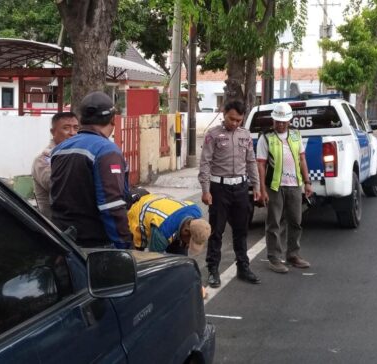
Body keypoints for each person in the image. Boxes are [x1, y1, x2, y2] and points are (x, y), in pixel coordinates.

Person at [50, 91, 133, 249]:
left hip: (64, 241)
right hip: (95, 246)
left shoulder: (59, 149)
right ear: (112, 120)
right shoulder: (107, 151)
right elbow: (112, 206)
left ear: (81, 119)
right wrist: (126, 247)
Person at [199, 100, 261, 287]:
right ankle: (213, 271)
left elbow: (251, 161)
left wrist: (256, 186)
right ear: (223, 113)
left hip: (241, 189)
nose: (234, 123)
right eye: (231, 119)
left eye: (239, 120)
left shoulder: (245, 135)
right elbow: (205, 163)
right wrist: (205, 190)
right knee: (216, 232)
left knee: (241, 230)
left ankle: (243, 267)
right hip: (220, 189)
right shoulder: (213, 135)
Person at [256, 103, 313, 274]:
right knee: (274, 223)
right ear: (273, 120)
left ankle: (293, 255)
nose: (280, 124)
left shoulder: (296, 135)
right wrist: (262, 189)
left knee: (296, 221)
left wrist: (307, 182)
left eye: (284, 121)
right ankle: (274, 258)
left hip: (295, 186)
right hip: (274, 186)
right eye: (277, 121)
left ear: (289, 120)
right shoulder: (265, 138)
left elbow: (302, 159)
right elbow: (261, 164)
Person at [127, 188, 211, 256]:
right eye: (190, 242)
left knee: (180, 260)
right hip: (138, 213)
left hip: (159, 203)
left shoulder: (196, 211)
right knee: (137, 257)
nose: (189, 245)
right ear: (186, 231)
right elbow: (155, 260)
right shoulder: (162, 232)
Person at [31, 112, 79, 219]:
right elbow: (57, 186)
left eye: (76, 128)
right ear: (53, 132)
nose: (73, 133)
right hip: (54, 226)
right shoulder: (42, 160)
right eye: (66, 128)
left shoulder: (77, 155)